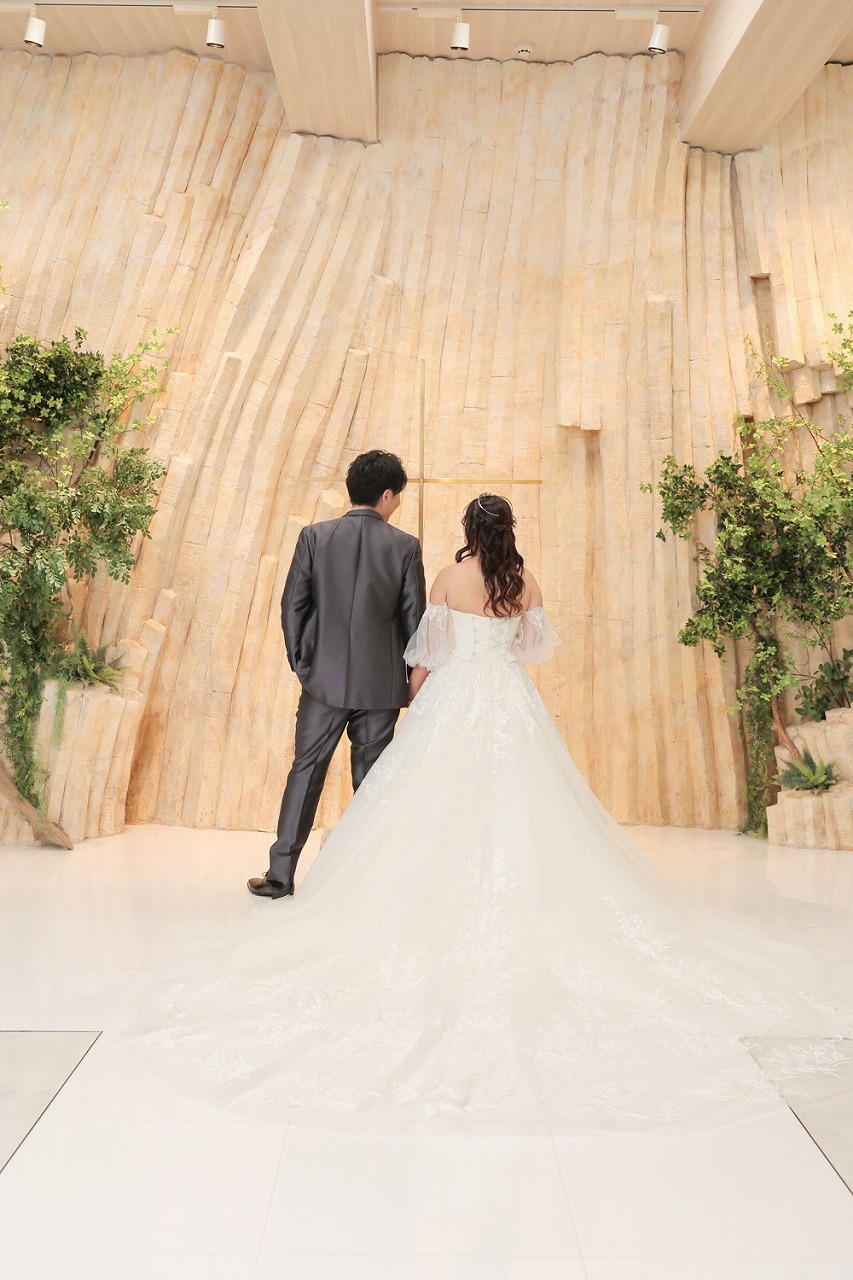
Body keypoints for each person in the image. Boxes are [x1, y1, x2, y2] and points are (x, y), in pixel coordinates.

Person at [142, 493, 853, 1134]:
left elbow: (426, 652)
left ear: (468, 530)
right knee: (526, 802)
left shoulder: (449, 578)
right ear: (508, 530)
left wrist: (412, 694)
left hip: (454, 698)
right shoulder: (525, 580)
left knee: (427, 803)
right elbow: (536, 649)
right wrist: (501, 647)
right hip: (509, 698)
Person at [248, 449, 426, 899]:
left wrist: (305, 666)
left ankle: (280, 876)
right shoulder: (406, 547)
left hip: (321, 682)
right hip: (381, 686)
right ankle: (369, 880)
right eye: (398, 495)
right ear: (386, 495)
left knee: (305, 772)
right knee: (372, 783)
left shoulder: (314, 536)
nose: (398, 503)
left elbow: (292, 607)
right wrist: (408, 680)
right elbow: (415, 625)